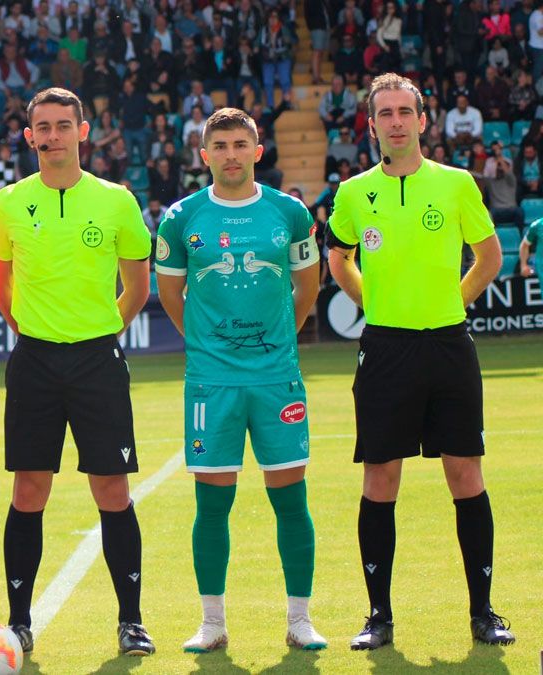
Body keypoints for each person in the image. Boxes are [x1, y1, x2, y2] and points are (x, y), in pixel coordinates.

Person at [325, 73, 515, 650]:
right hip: (384, 349)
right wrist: (369, 301)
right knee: (381, 478)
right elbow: (339, 257)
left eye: (406, 111)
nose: (397, 122)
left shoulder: (456, 185)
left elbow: (489, 258)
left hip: (448, 346)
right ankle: (378, 617)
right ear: (373, 123)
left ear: (423, 120)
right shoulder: (354, 193)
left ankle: (483, 612)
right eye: (385, 113)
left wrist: (449, 303)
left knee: (465, 475)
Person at [0, 88, 155, 657]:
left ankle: (131, 621)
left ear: (84, 131)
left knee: (111, 488)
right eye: (42, 127)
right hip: (33, 361)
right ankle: (18, 620)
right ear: (28, 136)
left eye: (63, 125)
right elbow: (1, 287)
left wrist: (104, 332)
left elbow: (136, 286)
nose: (52, 135)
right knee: (29, 489)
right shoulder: (6, 203)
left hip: (96, 362)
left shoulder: (116, 201)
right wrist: (33, 331)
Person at [154, 108, 326, 653]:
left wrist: (277, 343)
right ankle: (212, 624)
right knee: (212, 505)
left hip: (277, 378)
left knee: (290, 500)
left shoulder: (290, 213)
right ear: (204, 156)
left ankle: (300, 620)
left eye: (240, 144)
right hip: (212, 384)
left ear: (258, 151)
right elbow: (170, 296)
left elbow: (307, 287)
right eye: (220, 145)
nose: (230, 154)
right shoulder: (181, 219)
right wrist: (210, 347)